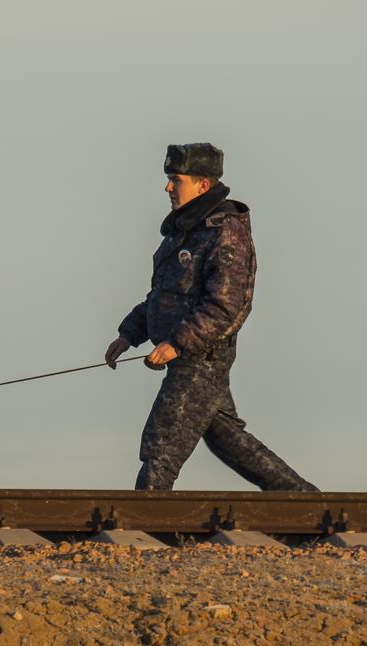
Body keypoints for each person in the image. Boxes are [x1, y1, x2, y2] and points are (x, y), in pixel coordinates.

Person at [104, 143, 318, 492]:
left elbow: (227, 305)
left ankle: (143, 525)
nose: (168, 188)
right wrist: (128, 334)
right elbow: (164, 298)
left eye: (176, 180)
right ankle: (305, 502)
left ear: (203, 185)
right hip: (188, 356)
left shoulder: (225, 230)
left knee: (161, 448)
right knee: (228, 441)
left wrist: (177, 343)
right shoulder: (187, 230)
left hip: (201, 359)